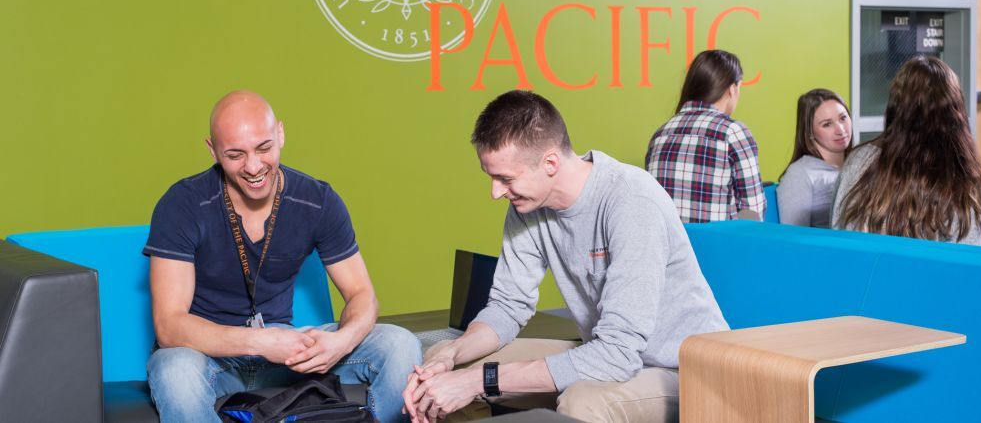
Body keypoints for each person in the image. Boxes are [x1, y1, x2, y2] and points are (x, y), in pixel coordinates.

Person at [402, 90, 727, 423]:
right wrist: (450, 355)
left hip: (684, 369)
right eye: (492, 177)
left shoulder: (631, 201)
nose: (495, 192)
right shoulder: (527, 205)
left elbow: (618, 355)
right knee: (455, 365)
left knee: (581, 400)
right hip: (606, 354)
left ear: (551, 163)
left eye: (506, 179)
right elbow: (507, 307)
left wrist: (476, 382)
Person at [144, 91, 420, 423]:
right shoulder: (183, 204)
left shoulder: (318, 200)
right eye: (235, 154)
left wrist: (341, 342)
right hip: (208, 354)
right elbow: (169, 326)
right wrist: (260, 341)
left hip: (288, 352)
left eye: (264, 148)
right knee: (173, 368)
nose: (254, 166)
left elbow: (362, 294)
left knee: (399, 344)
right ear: (212, 150)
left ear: (281, 135)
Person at [830, 56, 981, 243]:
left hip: (866, 271)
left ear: (895, 106)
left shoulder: (860, 160)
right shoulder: (960, 170)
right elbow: (968, 250)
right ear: (955, 111)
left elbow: (837, 230)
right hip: (932, 272)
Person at [646, 49, 766, 223]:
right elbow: (753, 213)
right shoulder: (733, 133)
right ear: (732, 89)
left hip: (668, 248)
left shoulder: (659, 135)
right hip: (717, 247)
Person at [776, 89, 854, 227]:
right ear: (810, 132)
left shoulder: (859, 164)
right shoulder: (800, 174)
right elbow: (795, 239)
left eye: (843, 118)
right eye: (827, 124)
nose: (841, 130)